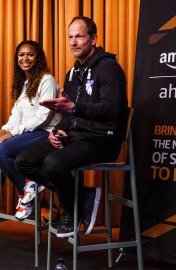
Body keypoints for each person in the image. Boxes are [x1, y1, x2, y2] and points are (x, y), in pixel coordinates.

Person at [15, 16, 128, 237]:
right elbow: (67, 111)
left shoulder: (109, 68)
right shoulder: (73, 71)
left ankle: (71, 211)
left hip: (102, 139)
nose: (73, 42)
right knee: (23, 161)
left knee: (53, 163)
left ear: (93, 39)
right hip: (77, 136)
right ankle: (81, 195)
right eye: (70, 37)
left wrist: (74, 109)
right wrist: (58, 130)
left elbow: (113, 109)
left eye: (79, 36)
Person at [0, 40, 60, 220]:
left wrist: (14, 133)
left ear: (38, 58)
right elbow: (16, 115)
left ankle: (26, 194)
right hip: (28, 132)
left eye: (30, 54)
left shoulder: (47, 80)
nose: (25, 58)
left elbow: (43, 116)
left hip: (44, 132)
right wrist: (3, 130)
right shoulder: (26, 83)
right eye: (21, 55)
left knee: (0, 153)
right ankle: (29, 188)